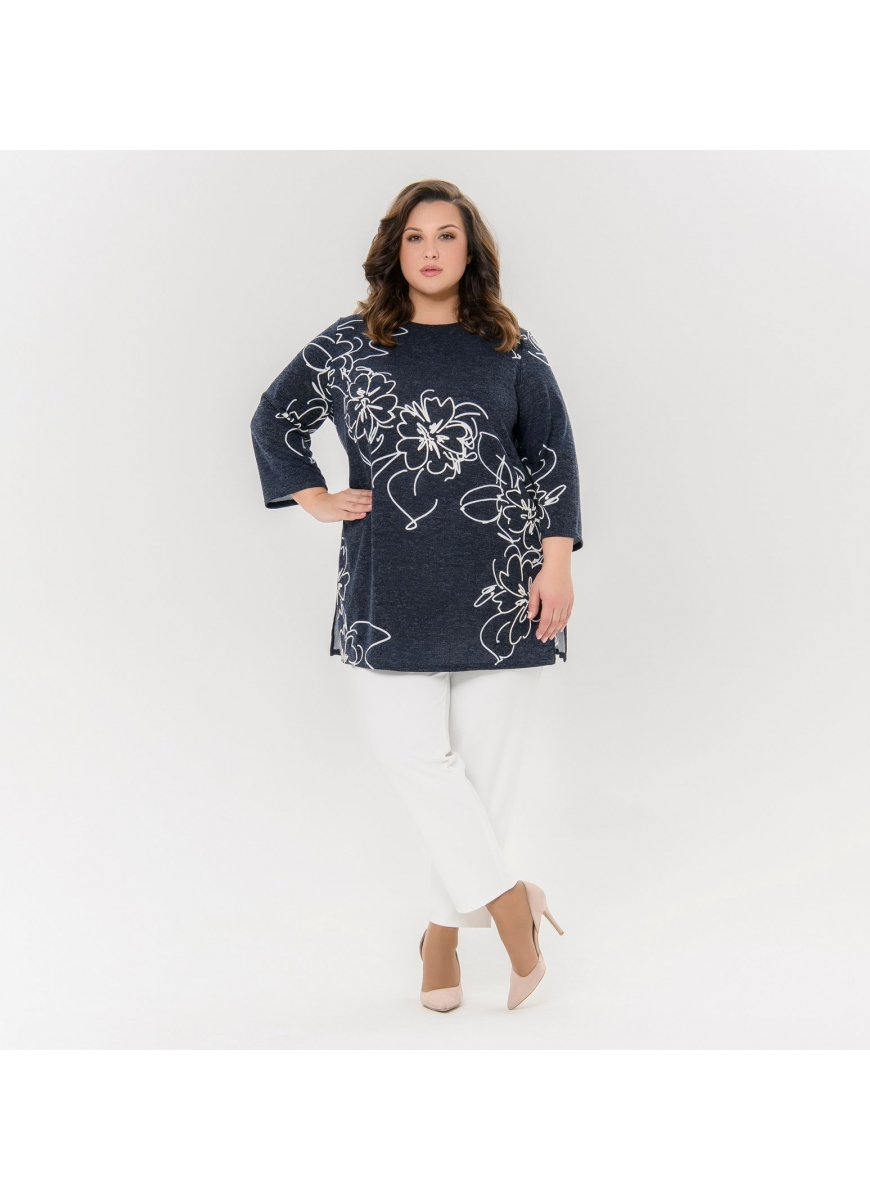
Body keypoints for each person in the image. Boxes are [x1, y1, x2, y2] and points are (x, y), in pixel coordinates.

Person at [250, 179, 583, 1011]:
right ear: (394, 251)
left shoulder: (510, 348)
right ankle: (512, 904)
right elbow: (274, 417)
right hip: (387, 588)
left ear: (471, 253)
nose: (430, 251)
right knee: (417, 761)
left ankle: (440, 939)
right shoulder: (351, 344)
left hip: (505, 589)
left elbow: (553, 457)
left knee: (481, 782)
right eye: (415, 237)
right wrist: (312, 494)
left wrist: (558, 565)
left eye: (447, 236)